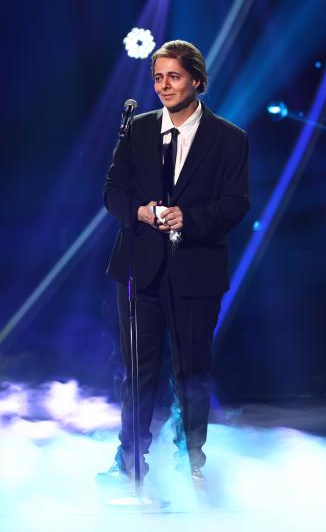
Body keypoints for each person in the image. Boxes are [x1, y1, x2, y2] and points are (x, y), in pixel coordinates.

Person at [100, 40, 249, 482]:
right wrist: (139, 212)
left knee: (191, 371)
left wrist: (191, 218)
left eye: (174, 77)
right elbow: (113, 191)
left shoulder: (229, 139)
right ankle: (131, 459)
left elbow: (236, 204)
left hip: (196, 270)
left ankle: (191, 461)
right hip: (139, 267)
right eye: (158, 78)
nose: (164, 86)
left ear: (196, 81)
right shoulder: (138, 130)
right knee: (137, 372)